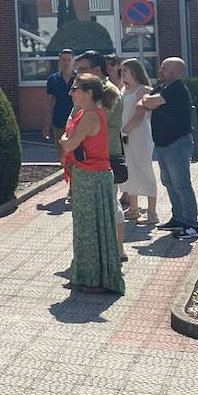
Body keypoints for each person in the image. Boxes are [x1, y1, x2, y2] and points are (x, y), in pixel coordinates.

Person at [60, 75, 127, 294]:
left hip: (93, 176)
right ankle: (84, 276)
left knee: (92, 229)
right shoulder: (84, 113)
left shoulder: (90, 115)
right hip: (86, 175)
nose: (72, 92)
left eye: (75, 88)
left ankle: (95, 280)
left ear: (89, 93)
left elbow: (70, 143)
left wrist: (63, 140)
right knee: (84, 228)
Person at [139, 57, 198, 240]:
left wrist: (146, 98)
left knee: (182, 184)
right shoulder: (163, 87)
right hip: (163, 143)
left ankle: (191, 225)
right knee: (169, 182)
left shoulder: (177, 89)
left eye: (164, 68)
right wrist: (147, 99)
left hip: (177, 143)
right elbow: (146, 101)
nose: (160, 70)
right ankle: (178, 218)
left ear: (175, 72)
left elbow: (147, 103)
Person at [76, 52, 127, 255]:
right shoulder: (87, 91)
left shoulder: (108, 92)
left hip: (107, 155)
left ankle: (118, 248)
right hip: (88, 155)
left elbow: (91, 120)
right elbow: (73, 120)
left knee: (110, 202)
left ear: (97, 70)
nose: (78, 73)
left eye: (83, 69)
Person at [118, 59, 158, 228]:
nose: (122, 73)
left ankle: (152, 213)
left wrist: (126, 130)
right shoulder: (123, 89)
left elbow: (140, 114)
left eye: (125, 70)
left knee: (144, 170)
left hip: (139, 134)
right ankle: (133, 209)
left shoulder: (145, 90)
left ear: (134, 71)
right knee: (130, 171)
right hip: (124, 134)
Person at [43, 49, 77, 143]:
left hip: (77, 121)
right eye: (63, 60)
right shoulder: (52, 80)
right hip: (59, 121)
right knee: (61, 150)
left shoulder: (80, 78)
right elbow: (49, 103)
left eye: (69, 60)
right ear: (59, 61)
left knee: (76, 152)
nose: (66, 63)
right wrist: (46, 123)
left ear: (73, 60)